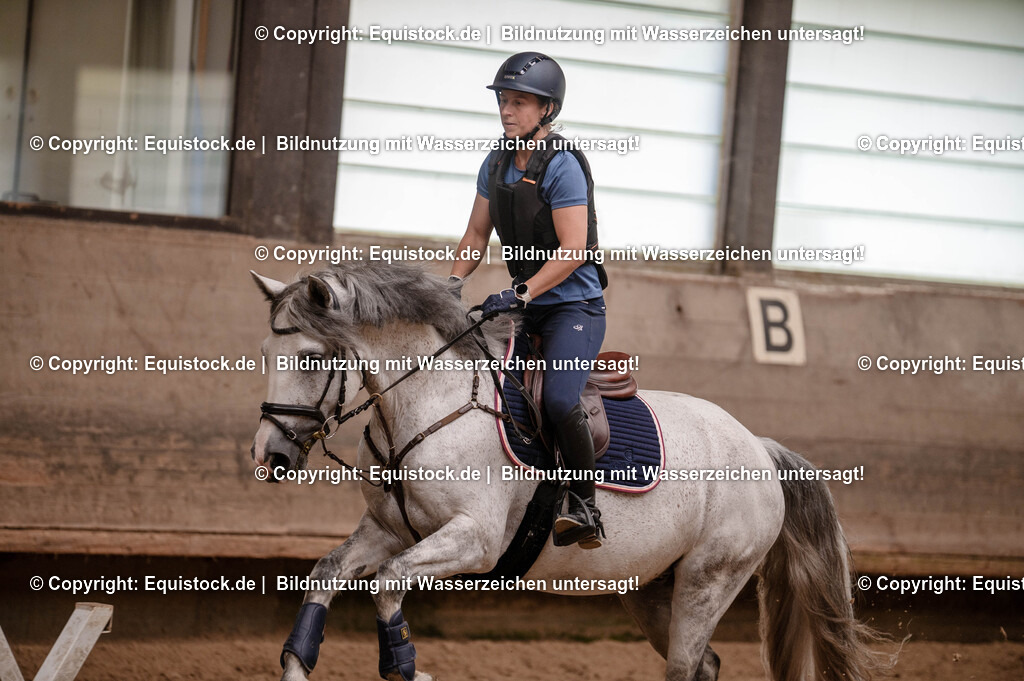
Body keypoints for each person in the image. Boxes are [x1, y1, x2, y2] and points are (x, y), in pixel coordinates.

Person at [449, 52, 608, 549]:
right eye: (503, 100)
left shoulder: (563, 167)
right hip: (524, 304)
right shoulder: (496, 162)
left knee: (558, 399)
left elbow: (574, 250)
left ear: (547, 110)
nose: (506, 110)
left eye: (519, 102)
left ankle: (585, 506)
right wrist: (449, 286)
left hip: (573, 309)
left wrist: (520, 292)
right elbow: (476, 235)